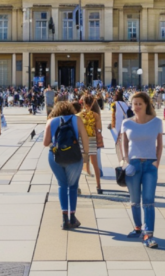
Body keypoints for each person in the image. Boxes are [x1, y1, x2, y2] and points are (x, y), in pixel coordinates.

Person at [121, 92, 163, 248]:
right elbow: (123, 143)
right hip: (134, 164)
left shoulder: (157, 122)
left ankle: (148, 234)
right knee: (134, 200)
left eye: (140, 103)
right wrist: (126, 161)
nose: (137, 106)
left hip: (150, 165)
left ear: (146, 105)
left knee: (149, 201)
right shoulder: (126, 123)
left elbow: (159, 144)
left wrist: (157, 162)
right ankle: (138, 228)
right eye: (134, 104)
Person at [43, 101, 89, 229]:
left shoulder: (51, 121)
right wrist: (86, 154)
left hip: (55, 157)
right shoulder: (77, 119)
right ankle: (72, 218)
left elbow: (46, 143)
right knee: (73, 186)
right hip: (74, 156)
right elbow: (85, 138)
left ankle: (64, 219)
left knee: (61, 184)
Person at [79, 94, 103, 194]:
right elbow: (99, 129)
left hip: (81, 140)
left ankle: (77, 186)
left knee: (79, 163)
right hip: (92, 139)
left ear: (84, 103)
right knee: (95, 163)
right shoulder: (96, 115)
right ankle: (98, 186)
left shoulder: (79, 115)